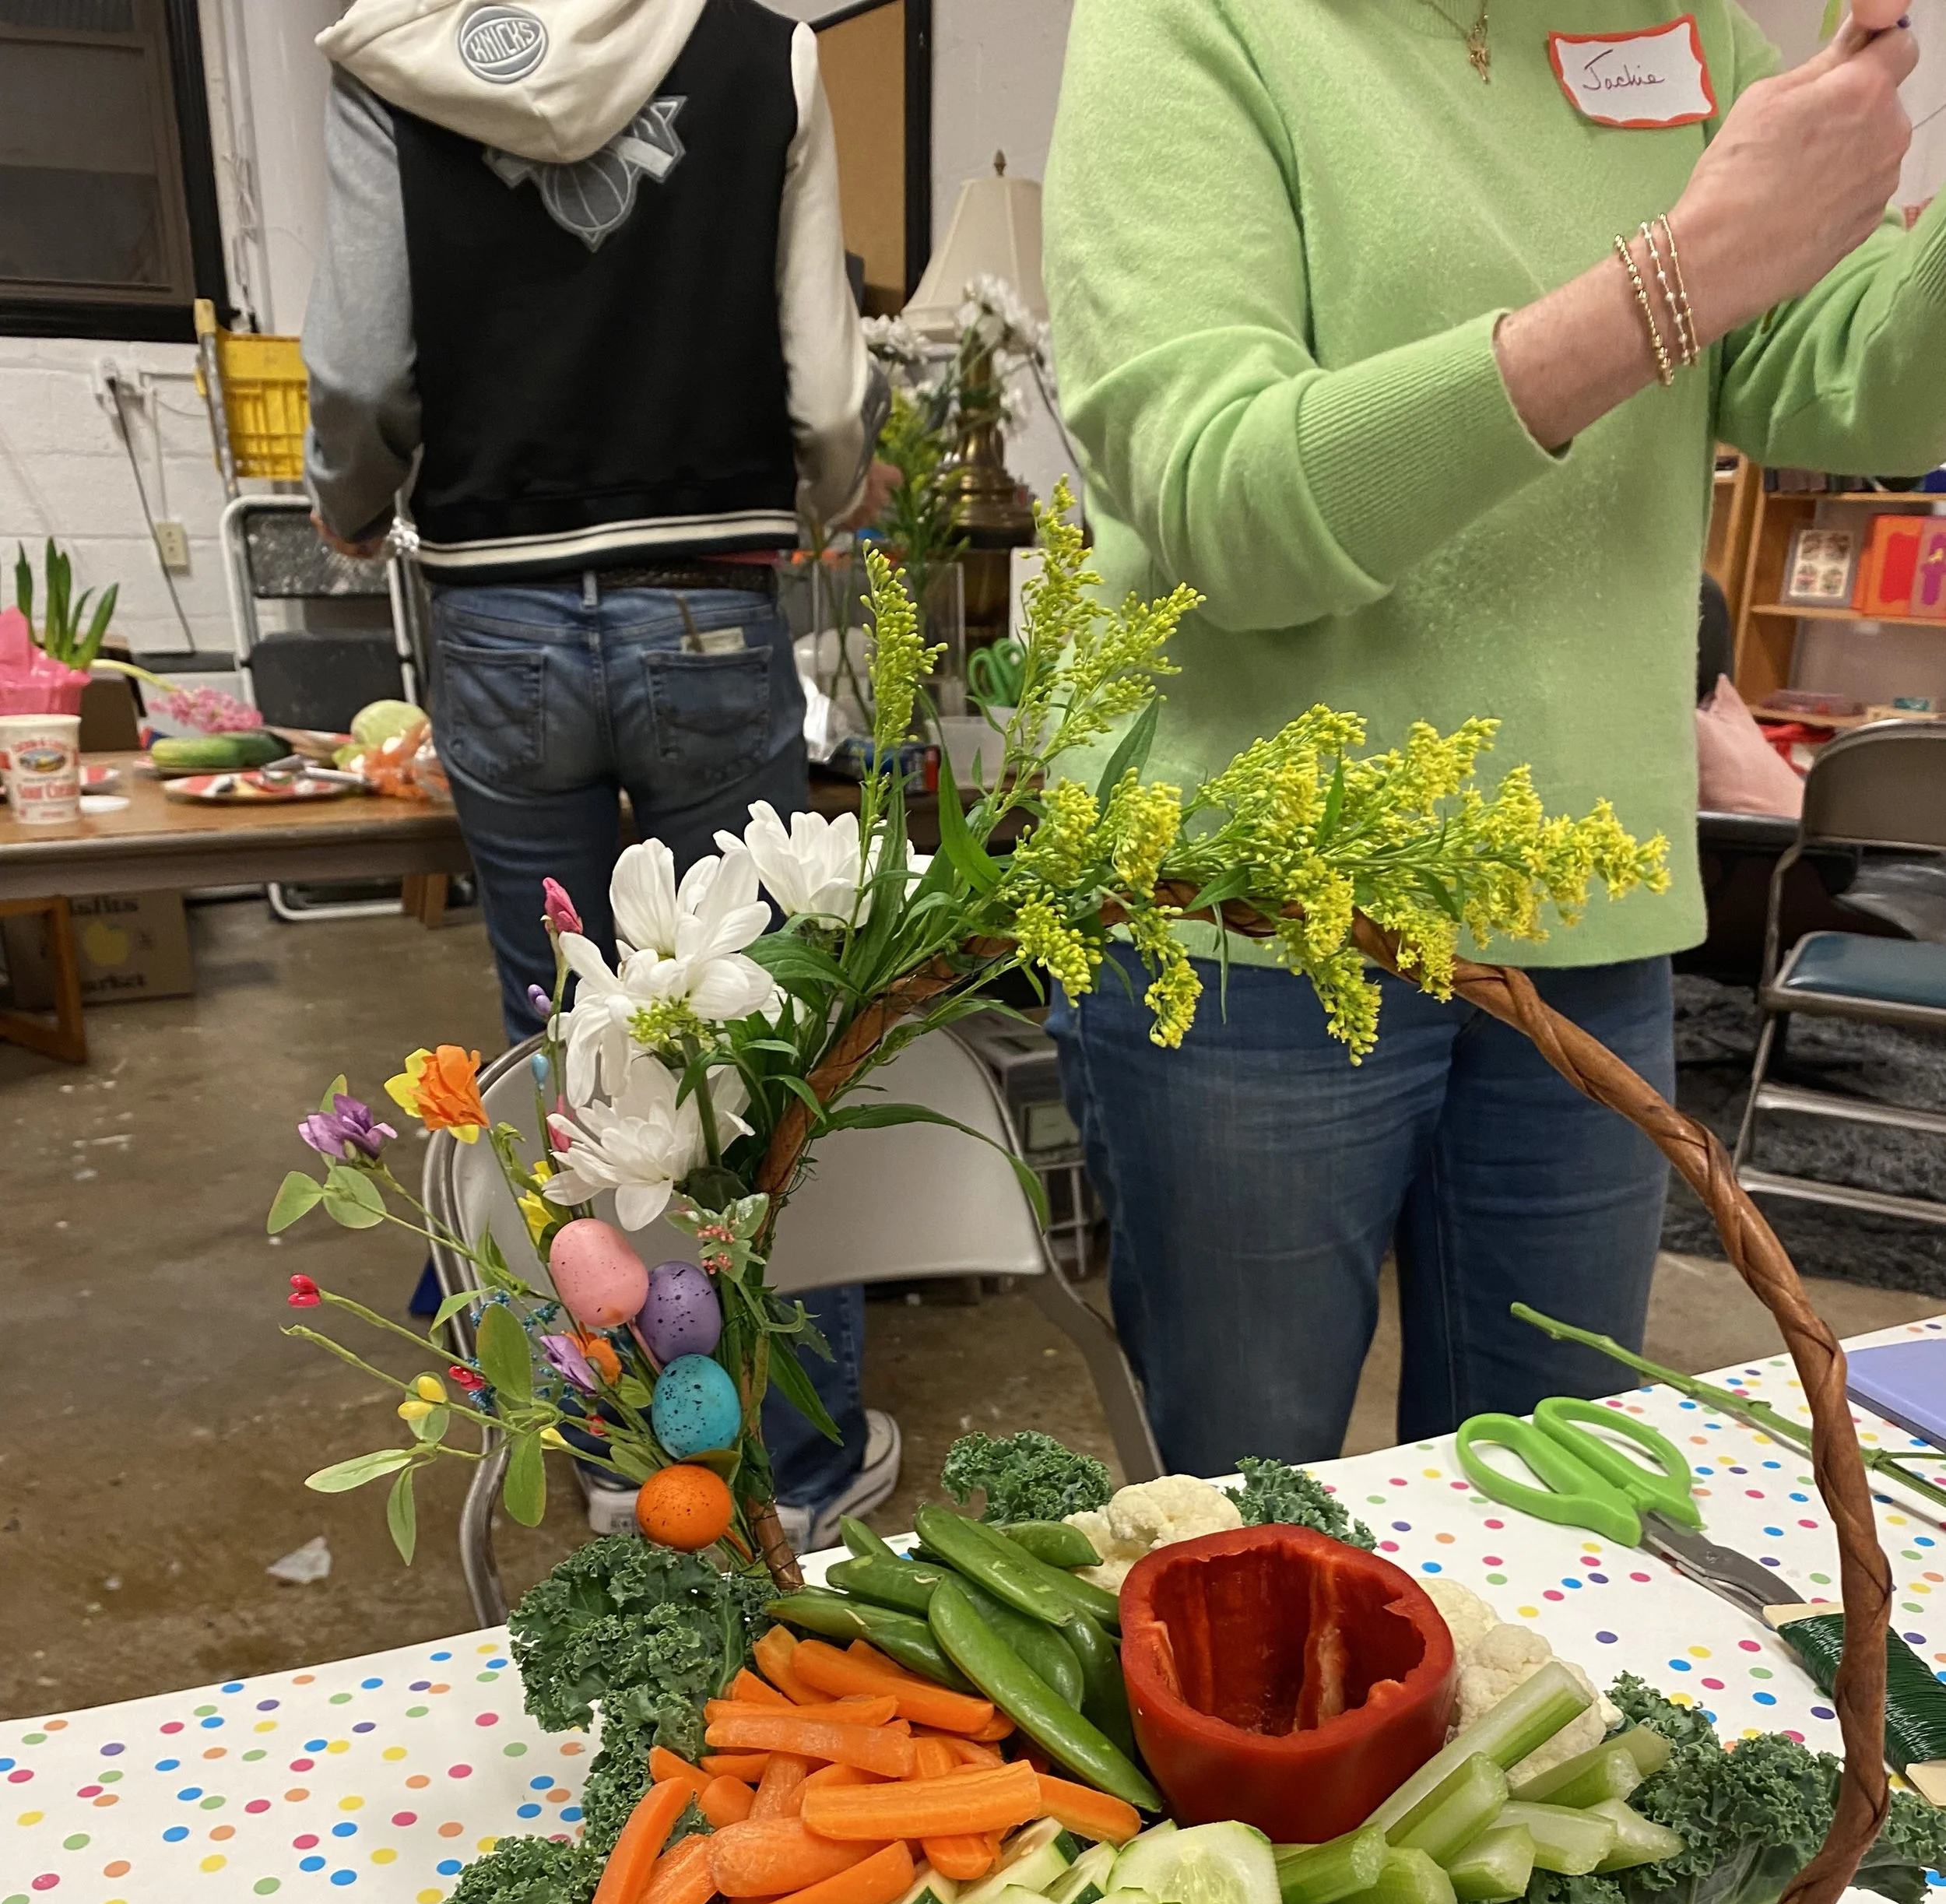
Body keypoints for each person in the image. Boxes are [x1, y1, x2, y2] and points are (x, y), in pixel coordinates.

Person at [1043, 0, 1946, 1477]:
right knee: (1245, 1501)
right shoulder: (1192, 19)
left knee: (1548, 1499)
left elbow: (1874, 392)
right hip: (1260, 917)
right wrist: (1677, 276)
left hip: (1583, 915)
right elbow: (1224, 502)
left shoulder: (1689, 23)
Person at [301, 0, 900, 1549]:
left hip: (495, 615)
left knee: (561, 1048)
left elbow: (364, 370)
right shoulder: (762, 51)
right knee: (758, 1040)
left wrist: (355, 503)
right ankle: (796, 1464)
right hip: (707, 599)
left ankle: (618, 1454)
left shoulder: (384, 54)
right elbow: (827, 395)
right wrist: (829, 494)